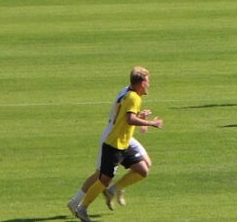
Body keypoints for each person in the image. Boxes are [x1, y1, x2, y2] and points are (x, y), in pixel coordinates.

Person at [65, 66, 164, 221]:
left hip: (124, 140)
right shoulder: (133, 98)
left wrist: (141, 118)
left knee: (143, 169)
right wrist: (150, 123)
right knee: (102, 178)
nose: (149, 84)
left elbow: (124, 114)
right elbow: (128, 118)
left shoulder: (129, 93)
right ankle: (80, 206)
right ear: (141, 83)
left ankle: (113, 189)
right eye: (148, 81)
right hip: (114, 141)